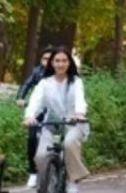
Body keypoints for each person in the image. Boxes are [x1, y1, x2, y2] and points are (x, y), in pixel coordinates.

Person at [22, 47, 89, 193]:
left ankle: (72, 180)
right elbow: (35, 101)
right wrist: (29, 116)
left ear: (69, 63)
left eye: (64, 61)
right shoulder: (45, 83)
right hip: (51, 122)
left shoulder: (76, 82)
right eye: (57, 61)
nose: (61, 64)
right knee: (40, 155)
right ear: (52, 63)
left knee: (69, 143)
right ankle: (50, 178)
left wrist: (79, 113)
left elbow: (80, 99)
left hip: (74, 121)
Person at [17, 47, 54, 189]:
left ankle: (58, 166)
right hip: (38, 110)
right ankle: (33, 171)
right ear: (41, 60)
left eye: (51, 59)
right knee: (32, 139)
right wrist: (20, 98)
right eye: (45, 58)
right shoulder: (37, 72)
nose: (48, 61)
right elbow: (26, 84)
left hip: (55, 111)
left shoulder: (61, 73)